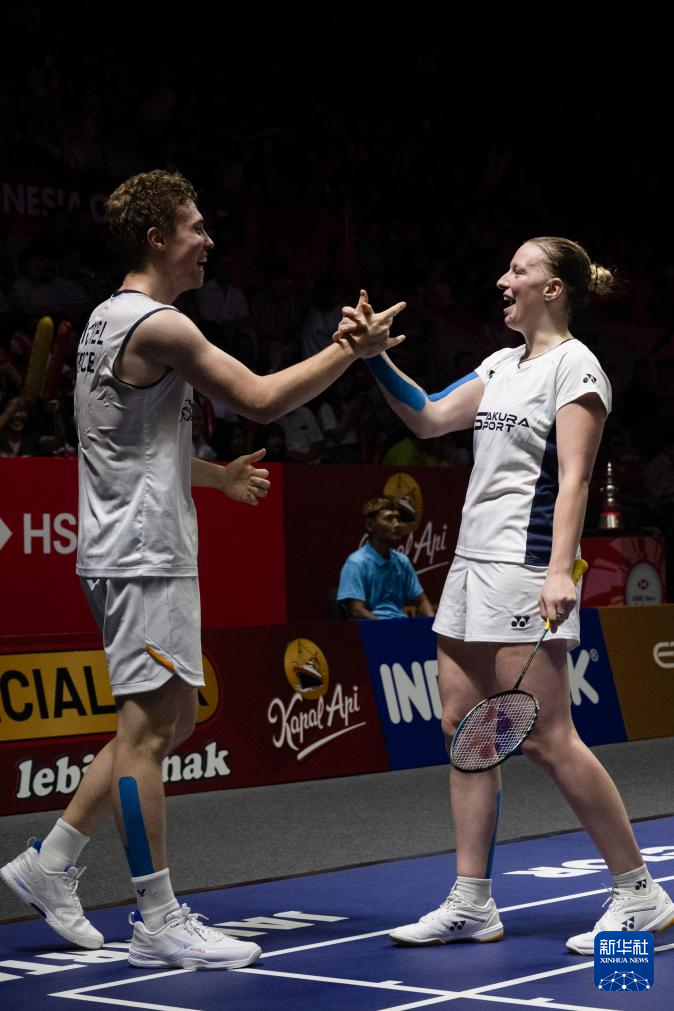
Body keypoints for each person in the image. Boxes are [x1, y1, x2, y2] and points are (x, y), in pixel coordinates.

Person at [0, 169, 405, 971]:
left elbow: (127, 446)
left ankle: (51, 862)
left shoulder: (106, 320)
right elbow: (260, 398)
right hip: (140, 554)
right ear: (157, 239)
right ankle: (157, 916)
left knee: (171, 719)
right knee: (149, 732)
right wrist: (348, 350)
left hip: (136, 546)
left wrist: (214, 477)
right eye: (195, 226)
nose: (208, 239)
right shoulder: (160, 327)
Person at [339, 239, 674, 954]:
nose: (502, 279)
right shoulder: (499, 365)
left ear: (553, 288)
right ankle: (472, 902)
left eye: (518, 270)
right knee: (462, 730)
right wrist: (373, 357)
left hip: (526, 567)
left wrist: (560, 571)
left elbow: (575, 478)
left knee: (550, 739)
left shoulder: (576, 366)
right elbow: (429, 415)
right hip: (468, 569)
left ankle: (638, 891)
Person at [337, 497, 434, 619]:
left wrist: (433, 625)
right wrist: (386, 628)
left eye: (398, 519)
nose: (397, 524)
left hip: (401, 624)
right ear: (370, 525)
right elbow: (357, 611)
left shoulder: (402, 561)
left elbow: (421, 602)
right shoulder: (356, 563)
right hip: (373, 628)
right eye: (389, 519)